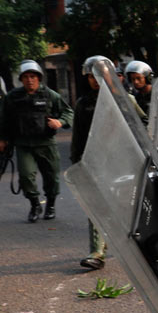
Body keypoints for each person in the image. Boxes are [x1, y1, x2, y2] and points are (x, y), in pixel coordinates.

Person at [0, 60, 73, 222]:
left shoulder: (49, 95)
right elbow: (4, 119)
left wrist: (60, 122)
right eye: (26, 77)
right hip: (24, 144)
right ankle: (35, 204)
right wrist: (2, 138)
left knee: (51, 177)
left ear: (39, 78)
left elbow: (68, 112)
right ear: (21, 79)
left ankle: (50, 205)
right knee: (26, 177)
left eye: (33, 76)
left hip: (46, 143)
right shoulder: (13, 97)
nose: (30, 80)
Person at [70, 55, 110, 269]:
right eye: (90, 76)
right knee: (95, 205)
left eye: (99, 74)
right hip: (93, 162)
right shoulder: (83, 103)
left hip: (121, 163)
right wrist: (76, 162)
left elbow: (141, 126)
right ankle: (97, 252)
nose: (95, 80)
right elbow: (77, 135)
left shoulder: (123, 100)